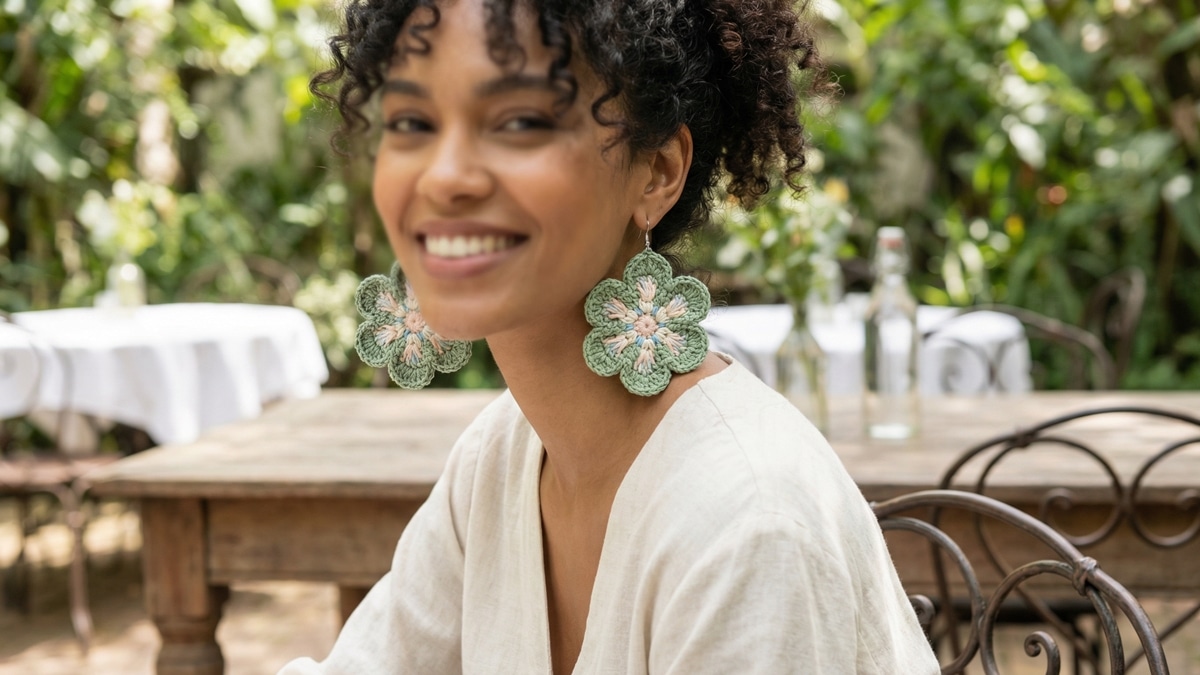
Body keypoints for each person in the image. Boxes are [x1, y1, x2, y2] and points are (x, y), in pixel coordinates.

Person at [280, 0, 939, 672]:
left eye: (520, 122)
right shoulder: (503, 458)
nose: (444, 176)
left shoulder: (748, 519)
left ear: (657, 173)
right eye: (413, 122)